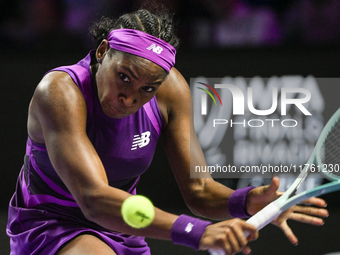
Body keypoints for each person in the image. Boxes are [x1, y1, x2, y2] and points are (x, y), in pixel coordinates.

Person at [6, 6, 328, 255]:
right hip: (52, 223)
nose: (130, 97)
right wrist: (197, 232)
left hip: (124, 222)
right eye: (125, 77)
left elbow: (199, 189)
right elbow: (93, 198)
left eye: (147, 89)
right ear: (103, 51)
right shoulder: (60, 92)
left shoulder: (171, 90)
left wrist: (247, 201)